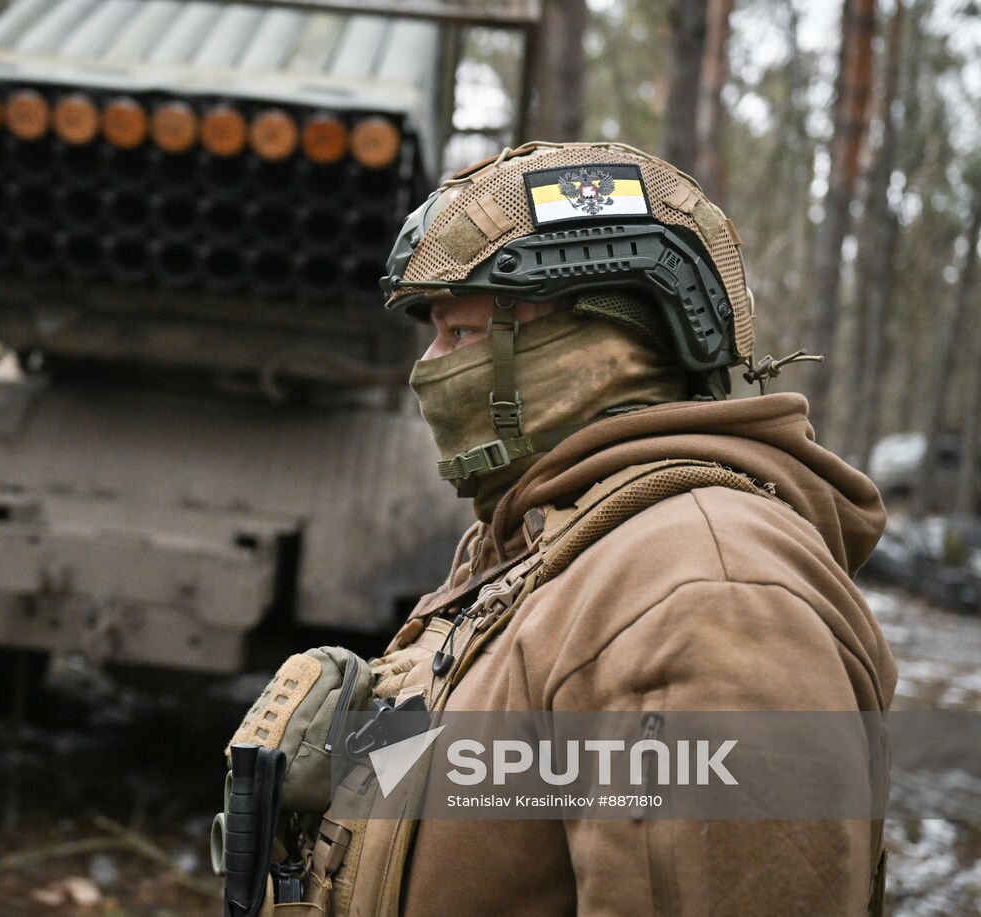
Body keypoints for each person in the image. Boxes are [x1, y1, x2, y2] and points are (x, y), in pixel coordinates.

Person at [225, 143, 894, 915]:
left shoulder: (704, 591)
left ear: (600, 350)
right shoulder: (542, 550)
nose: (427, 369)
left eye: (462, 335)